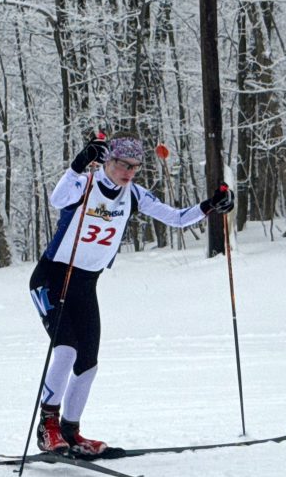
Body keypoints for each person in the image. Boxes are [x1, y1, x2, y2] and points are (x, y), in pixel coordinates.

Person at [29, 133, 234, 458]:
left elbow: (177, 218)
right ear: (107, 161)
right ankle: (47, 428)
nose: (128, 172)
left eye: (134, 167)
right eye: (122, 164)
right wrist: (78, 164)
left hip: (85, 283)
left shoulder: (134, 195)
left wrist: (211, 206)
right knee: (66, 350)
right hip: (53, 278)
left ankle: (71, 430)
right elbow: (57, 199)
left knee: (88, 363)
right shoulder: (85, 183)